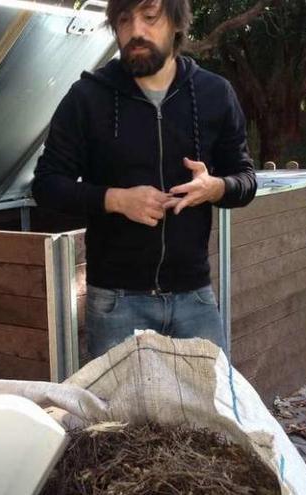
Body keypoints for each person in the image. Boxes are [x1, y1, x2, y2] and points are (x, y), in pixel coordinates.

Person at [32, 0, 256, 358]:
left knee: (208, 411)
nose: (136, 30)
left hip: (194, 298)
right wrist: (116, 200)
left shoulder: (215, 94)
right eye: (124, 20)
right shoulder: (87, 98)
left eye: (150, 17)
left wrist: (215, 187)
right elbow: (46, 185)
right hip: (116, 302)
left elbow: (246, 180)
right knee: (119, 416)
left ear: (177, 23)